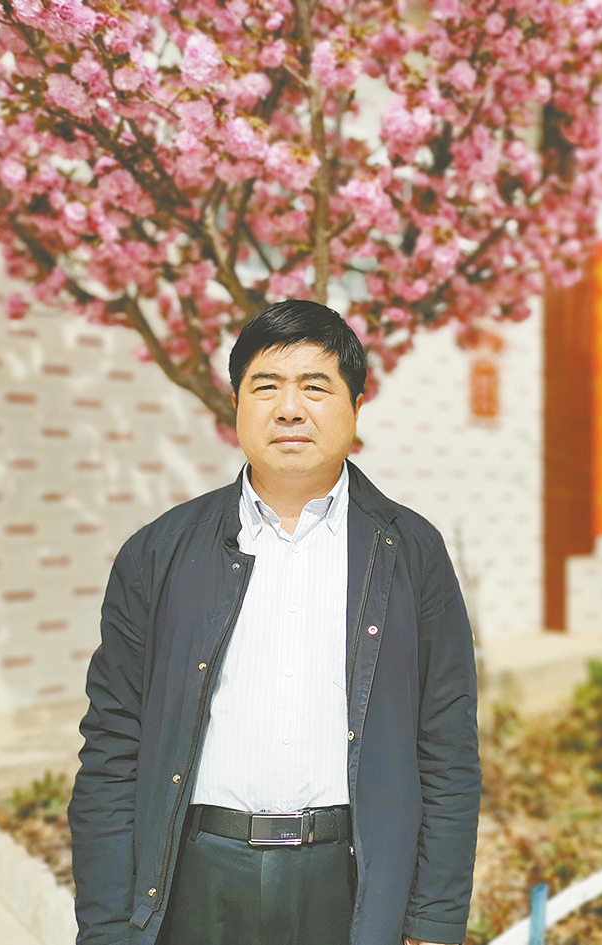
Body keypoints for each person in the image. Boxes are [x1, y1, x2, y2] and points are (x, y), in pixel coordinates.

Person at [69, 299, 481, 945]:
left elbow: (448, 749)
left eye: (315, 387)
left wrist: (432, 921)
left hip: (350, 882)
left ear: (356, 407)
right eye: (266, 387)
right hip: (197, 878)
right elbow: (112, 749)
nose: (290, 409)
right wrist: (105, 927)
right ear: (236, 404)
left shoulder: (411, 551)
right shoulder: (157, 552)